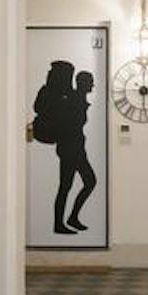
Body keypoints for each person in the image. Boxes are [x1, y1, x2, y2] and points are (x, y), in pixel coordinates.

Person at [54, 68, 98, 234]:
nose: (93, 85)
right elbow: (69, 124)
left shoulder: (77, 99)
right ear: (83, 83)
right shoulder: (74, 100)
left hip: (75, 148)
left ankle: (70, 218)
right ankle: (60, 223)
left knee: (75, 184)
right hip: (70, 148)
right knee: (69, 186)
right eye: (90, 82)